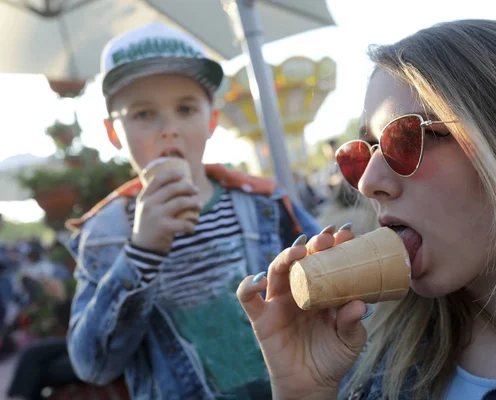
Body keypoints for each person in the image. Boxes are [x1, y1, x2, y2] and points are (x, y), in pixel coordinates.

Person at [237, 19, 496, 400]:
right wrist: (304, 391)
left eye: (405, 139)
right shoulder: (367, 354)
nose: (366, 183)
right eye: (361, 154)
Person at [65, 22, 321, 399]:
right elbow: (93, 365)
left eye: (185, 108)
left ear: (211, 121)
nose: (169, 128)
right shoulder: (106, 234)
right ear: (113, 133)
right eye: (143, 114)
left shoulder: (264, 204)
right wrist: (141, 253)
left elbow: (334, 295)